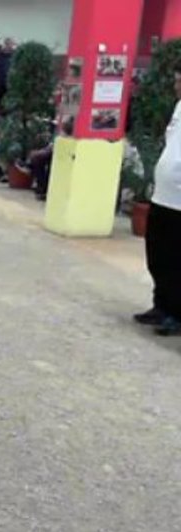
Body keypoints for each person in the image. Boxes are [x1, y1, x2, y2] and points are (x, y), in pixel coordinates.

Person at [136, 70, 181, 334]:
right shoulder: (178, 107)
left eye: (179, 81)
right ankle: (161, 304)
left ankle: (177, 313)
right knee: (157, 254)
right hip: (163, 194)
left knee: (177, 258)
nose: (175, 85)